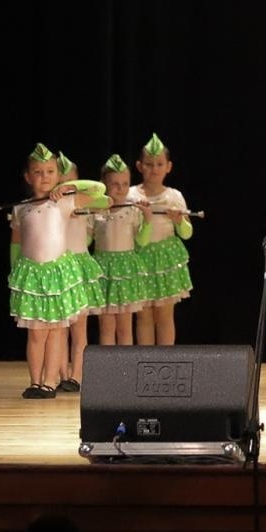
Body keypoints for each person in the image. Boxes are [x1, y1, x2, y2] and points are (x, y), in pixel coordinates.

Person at [8, 144, 108, 397]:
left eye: (50, 171)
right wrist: (14, 275)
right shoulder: (20, 209)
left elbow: (99, 191)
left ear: (57, 175)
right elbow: (16, 244)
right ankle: (34, 381)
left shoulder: (64, 203)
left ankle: (49, 382)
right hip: (32, 276)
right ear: (28, 177)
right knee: (36, 333)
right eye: (38, 172)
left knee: (56, 331)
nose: (44, 177)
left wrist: (69, 187)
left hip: (59, 275)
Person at [127, 132, 193, 345]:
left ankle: (166, 362)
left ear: (168, 167)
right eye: (149, 164)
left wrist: (178, 221)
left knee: (164, 316)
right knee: (144, 316)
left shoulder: (174, 196)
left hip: (166, 260)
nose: (154, 169)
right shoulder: (131, 196)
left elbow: (186, 233)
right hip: (140, 259)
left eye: (159, 164)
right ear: (139, 166)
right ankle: (146, 363)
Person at [53, 153, 105, 390]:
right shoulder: (51, 205)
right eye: (60, 185)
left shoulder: (84, 203)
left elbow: (102, 193)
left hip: (80, 268)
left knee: (79, 327)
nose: (66, 190)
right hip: (60, 267)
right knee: (59, 327)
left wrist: (72, 189)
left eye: (70, 184)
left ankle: (77, 376)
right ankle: (61, 375)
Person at [91, 153, 152, 347]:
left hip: (126, 271)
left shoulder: (133, 210)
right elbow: (85, 239)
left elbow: (141, 240)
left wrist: (148, 219)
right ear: (104, 184)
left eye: (125, 184)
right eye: (115, 184)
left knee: (125, 326)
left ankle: (125, 372)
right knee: (107, 326)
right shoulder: (96, 211)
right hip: (103, 270)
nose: (121, 189)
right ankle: (108, 372)